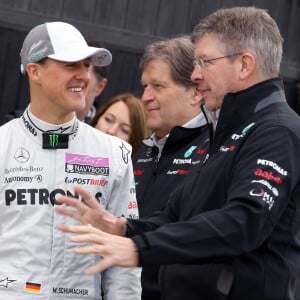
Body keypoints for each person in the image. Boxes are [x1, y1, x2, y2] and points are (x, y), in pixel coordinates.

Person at [55, 6, 300, 300]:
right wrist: (122, 227)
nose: (195, 75)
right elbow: (176, 217)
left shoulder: (276, 130)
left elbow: (244, 221)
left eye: (205, 62)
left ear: (245, 65)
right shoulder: (224, 131)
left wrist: (138, 248)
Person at [0, 21, 141, 299]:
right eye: (70, 65)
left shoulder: (114, 152)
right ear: (34, 71)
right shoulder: (3, 144)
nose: (84, 76)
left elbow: (123, 255)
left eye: (86, 66)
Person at [132, 36, 210, 299]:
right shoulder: (146, 150)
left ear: (196, 92)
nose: (145, 97)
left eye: (158, 86)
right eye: (144, 86)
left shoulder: (214, 152)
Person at [76, 41, 109, 122]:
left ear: (99, 87)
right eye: (70, 66)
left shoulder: (102, 132)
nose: (74, 76)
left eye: (86, 67)